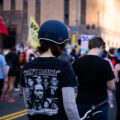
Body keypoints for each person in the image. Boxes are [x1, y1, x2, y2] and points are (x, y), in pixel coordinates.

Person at [20, 20, 80, 120]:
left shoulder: (27, 67)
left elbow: (27, 100)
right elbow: (70, 106)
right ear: (61, 43)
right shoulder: (64, 67)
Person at [72, 37, 115, 120]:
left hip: (81, 102)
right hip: (100, 104)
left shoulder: (77, 62)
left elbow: (73, 81)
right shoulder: (105, 63)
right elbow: (111, 86)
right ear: (100, 47)